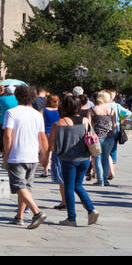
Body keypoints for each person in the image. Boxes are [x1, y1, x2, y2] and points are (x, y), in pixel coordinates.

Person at [49, 92, 99, 226]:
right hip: (84, 159)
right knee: (78, 185)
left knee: (69, 188)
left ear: (64, 107)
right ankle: (91, 209)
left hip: (69, 159)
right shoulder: (85, 121)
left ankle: (71, 218)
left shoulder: (59, 123)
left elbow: (52, 145)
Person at [1, 85, 46, 228]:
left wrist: (6, 153)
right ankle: (19, 216)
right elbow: (42, 136)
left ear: (16, 96)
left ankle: (36, 212)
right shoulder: (37, 114)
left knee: (19, 185)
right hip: (32, 155)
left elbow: (7, 134)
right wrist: (44, 154)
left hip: (17, 154)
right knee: (25, 186)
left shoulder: (11, 112)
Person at [90, 91, 119, 186]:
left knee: (97, 158)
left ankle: (100, 180)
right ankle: (105, 179)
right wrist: (111, 131)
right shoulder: (111, 110)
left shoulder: (93, 110)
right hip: (109, 137)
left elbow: (89, 125)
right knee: (105, 158)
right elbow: (114, 125)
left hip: (97, 137)